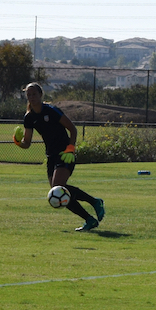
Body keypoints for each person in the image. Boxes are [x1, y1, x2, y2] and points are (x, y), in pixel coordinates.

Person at [13, 82, 105, 232]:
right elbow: (27, 143)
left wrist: (71, 149)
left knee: (58, 189)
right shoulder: (29, 117)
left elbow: (72, 129)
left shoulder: (52, 110)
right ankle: (89, 218)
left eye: (34, 94)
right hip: (51, 156)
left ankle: (95, 202)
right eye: (28, 95)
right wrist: (18, 142)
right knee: (57, 192)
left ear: (41, 95)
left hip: (65, 153)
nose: (31, 97)